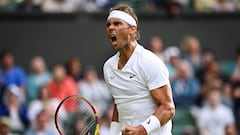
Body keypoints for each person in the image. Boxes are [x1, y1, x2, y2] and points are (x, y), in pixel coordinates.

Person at [103, 4, 175, 135]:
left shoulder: (149, 62)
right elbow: (119, 106)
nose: (111, 28)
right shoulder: (108, 67)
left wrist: (142, 130)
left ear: (132, 29)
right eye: (108, 25)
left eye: (117, 24)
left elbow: (168, 108)